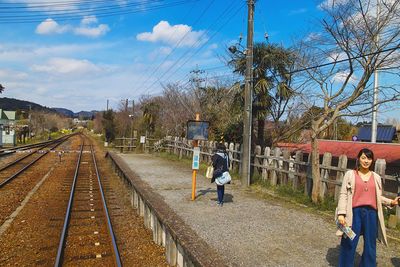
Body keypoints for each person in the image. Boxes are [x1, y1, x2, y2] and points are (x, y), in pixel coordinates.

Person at [336, 148, 399, 266]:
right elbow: (343, 194)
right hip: (353, 214)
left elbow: (377, 197)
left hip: (371, 214)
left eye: (369, 158)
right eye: (363, 158)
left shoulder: (376, 177)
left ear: (372, 160)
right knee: (349, 241)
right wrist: (341, 214)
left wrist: (391, 202)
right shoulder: (350, 174)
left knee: (370, 244)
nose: (366, 161)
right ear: (358, 159)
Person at [211, 142, 230, 207]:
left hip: (218, 172)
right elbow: (228, 164)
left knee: (219, 186)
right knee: (222, 186)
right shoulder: (226, 155)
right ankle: (221, 199)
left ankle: (220, 201)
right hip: (225, 172)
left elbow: (214, 164)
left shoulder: (216, 155)